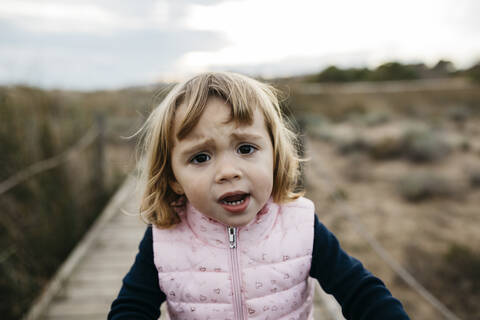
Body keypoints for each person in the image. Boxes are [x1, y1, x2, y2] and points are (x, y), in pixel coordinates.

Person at [108, 72, 410, 319]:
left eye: (246, 149)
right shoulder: (166, 238)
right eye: (200, 157)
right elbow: (132, 308)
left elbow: (361, 291)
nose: (228, 171)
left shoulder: (299, 225)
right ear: (174, 178)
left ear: (275, 156)